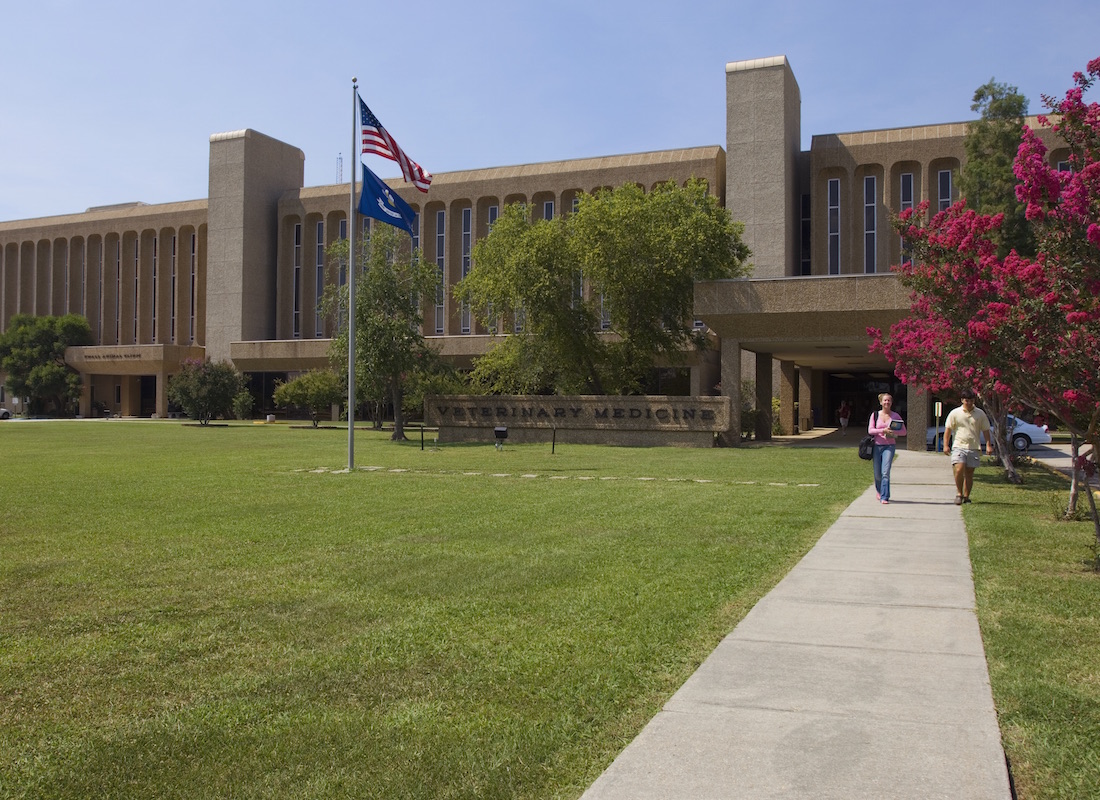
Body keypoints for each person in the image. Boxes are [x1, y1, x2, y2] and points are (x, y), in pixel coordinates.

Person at [943, 389, 994, 505]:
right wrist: (946, 445)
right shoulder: (955, 413)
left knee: (969, 473)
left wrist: (988, 445)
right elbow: (948, 429)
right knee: (959, 469)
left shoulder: (980, 413)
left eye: (971, 400)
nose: (969, 403)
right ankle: (959, 494)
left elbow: (986, 429)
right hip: (958, 446)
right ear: (962, 400)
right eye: (966, 400)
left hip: (973, 447)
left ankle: (966, 496)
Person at [867, 393, 906, 504]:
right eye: (885, 400)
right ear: (881, 402)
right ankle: (879, 491)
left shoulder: (896, 416)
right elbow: (870, 430)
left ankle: (885, 497)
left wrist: (894, 432)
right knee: (877, 474)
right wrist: (882, 431)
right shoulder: (875, 415)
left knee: (885, 472)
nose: (887, 402)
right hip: (876, 446)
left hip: (889, 446)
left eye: (889, 401)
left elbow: (904, 432)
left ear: (891, 403)